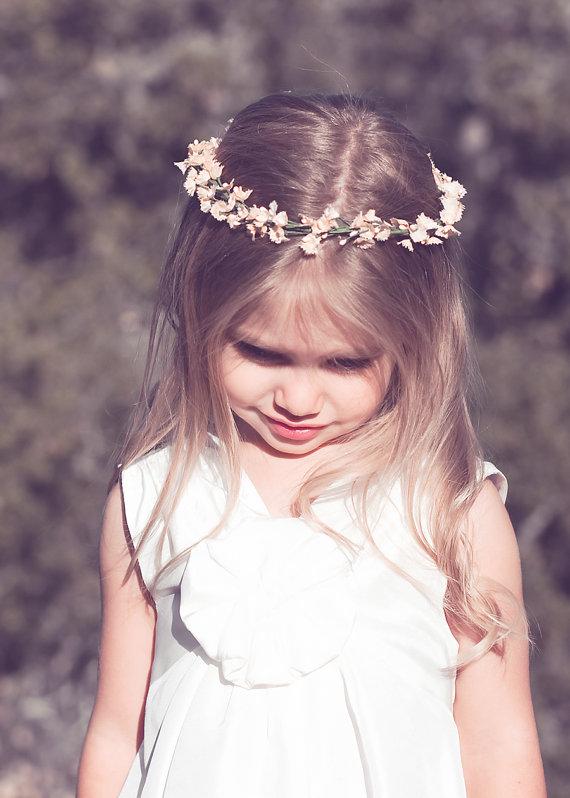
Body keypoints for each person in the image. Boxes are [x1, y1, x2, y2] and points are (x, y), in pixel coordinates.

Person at [76, 92, 547, 797]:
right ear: (200, 313)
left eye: (345, 363)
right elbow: (119, 729)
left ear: (413, 344)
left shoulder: (451, 510)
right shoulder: (151, 497)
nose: (297, 400)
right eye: (261, 353)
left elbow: (500, 745)